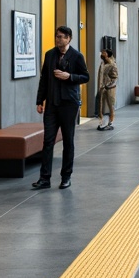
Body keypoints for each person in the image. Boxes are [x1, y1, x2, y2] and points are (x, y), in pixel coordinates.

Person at [33, 26, 89, 189]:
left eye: (62, 37)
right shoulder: (49, 55)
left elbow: (86, 76)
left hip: (69, 104)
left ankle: (66, 176)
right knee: (48, 141)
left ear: (69, 38)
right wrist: (39, 100)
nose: (59, 39)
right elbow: (44, 79)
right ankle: (44, 178)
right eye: (57, 36)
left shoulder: (77, 56)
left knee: (68, 141)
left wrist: (69, 76)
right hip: (51, 104)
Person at [95, 48, 118, 131]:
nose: (102, 53)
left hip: (109, 90)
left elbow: (115, 78)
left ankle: (110, 122)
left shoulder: (112, 64)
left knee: (109, 106)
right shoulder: (102, 63)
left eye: (104, 52)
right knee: (101, 106)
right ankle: (102, 123)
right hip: (102, 89)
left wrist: (109, 86)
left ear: (107, 54)